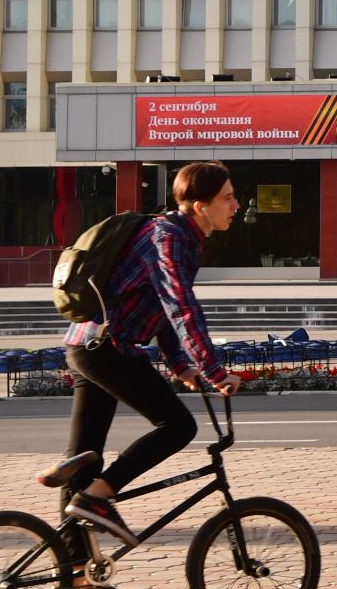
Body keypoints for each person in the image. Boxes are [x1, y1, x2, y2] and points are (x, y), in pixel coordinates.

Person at [41, 161, 243, 547]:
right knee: (178, 427)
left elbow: (157, 306)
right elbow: (179, 305)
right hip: (106, 348)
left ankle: (78, 575)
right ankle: (101, 497)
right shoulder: (169, 238)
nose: (236, 205)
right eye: (228, 198)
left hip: (87, 344)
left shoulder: (178, 236)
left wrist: (181, 363)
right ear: (200, 206)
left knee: (84, 462)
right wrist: (214, 370)